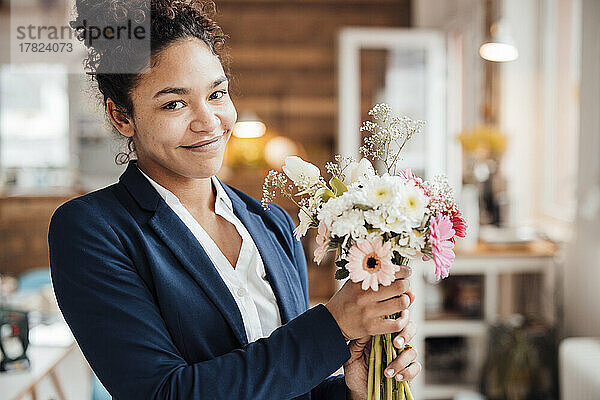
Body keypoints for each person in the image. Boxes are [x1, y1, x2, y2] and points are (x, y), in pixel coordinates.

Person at [47, 1, 421, 399]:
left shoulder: (273, 223)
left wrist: (353, 390)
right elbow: (163, 393)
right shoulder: (93, 229)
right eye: (174, 103)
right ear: (122, 117)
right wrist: (333, 326)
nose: (208, 121)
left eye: (217, 94)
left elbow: (294, 390)